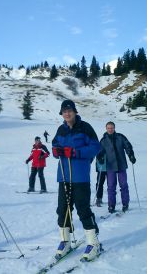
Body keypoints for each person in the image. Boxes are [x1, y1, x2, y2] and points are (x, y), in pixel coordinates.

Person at [52, 99, 101, 261]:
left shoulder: (85, 127)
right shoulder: (61, 129)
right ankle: (65, 241)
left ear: (74, 111)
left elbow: (95, 147)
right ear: (62, 113)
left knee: (82, 208)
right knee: (63, 209)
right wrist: (56, 151)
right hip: (64, 176)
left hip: (80, 177)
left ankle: (93, 243)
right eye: (64, 111)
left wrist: (75, 153)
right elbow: (54, 146)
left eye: (69, 110)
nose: (67, 113)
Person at [98, 121, 136, 214]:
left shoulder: (120, 137)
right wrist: (100, 158)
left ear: (114, 128)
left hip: (121, 165)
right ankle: (111, 206)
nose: (110, 129)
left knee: (123, 185)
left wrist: (131, 155)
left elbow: (128, 146)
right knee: (111, 187)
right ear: (106, 129)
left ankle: (125, 204)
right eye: (108, 128)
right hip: (110, 167)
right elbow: (99, 151)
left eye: (112, 128)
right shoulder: (103, 140)